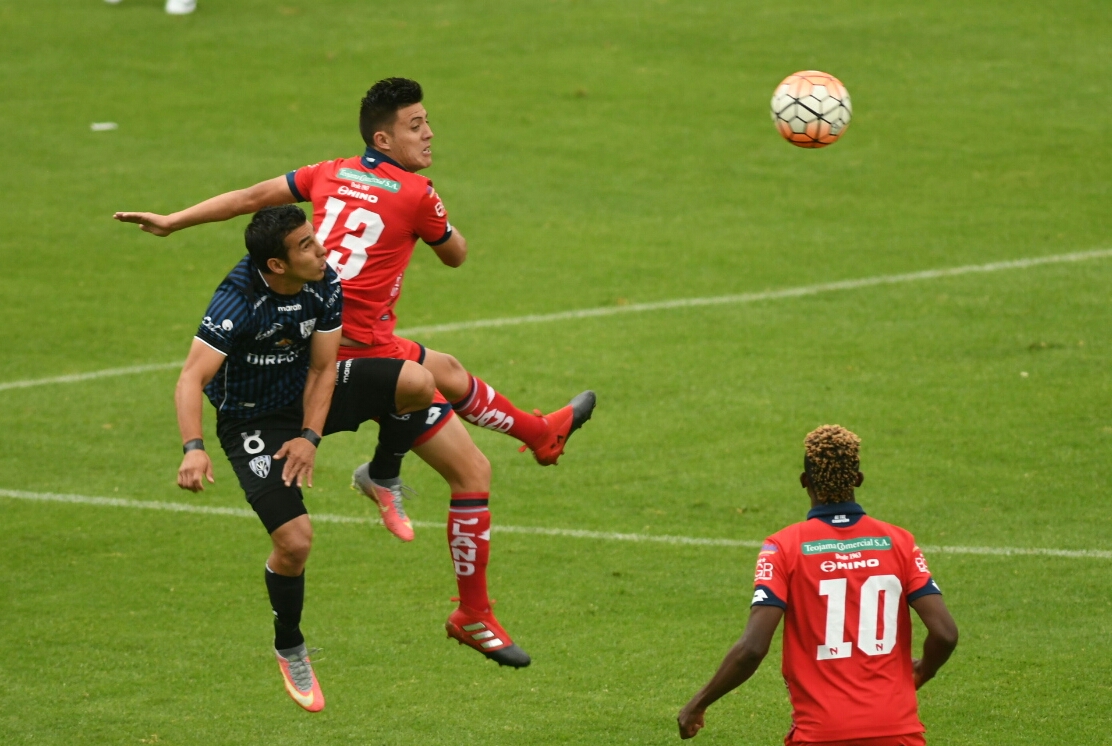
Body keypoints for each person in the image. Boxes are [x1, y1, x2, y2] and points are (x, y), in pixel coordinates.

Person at [113, 76, 595, 476]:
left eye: (427, 122)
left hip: (314, 325)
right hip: (354, 339)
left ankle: (540, 435)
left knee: (445, 370)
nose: (429, 133)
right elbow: (456, 256)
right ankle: (383, 474)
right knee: (454, 436)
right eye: (416, 125)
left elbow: (249, 198)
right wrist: (438, 221)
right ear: (383, 139)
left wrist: (173, 221)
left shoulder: (331, 171)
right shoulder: (416, 192)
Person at [176, 204, 444, 711]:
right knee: (295, 543)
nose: (321, 250)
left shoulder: (325, 280)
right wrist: (194, 449)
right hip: (252, 421)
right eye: (306, 246)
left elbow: (324, 370)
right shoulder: (237, 303)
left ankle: (380, 475)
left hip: (303, 397)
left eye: (314, 238)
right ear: (276, 265)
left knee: (417, 383)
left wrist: (310, 437)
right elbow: (192, 378)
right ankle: (291, 646)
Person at [677, 425, 958, 745]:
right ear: (858, 480)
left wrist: (697, 704)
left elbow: (752, 649)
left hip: (822, 734)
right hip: (898, 733)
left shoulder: (783, 547)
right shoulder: (898, 542)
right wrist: (923, 670)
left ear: (804, 481)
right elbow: (946, 634)